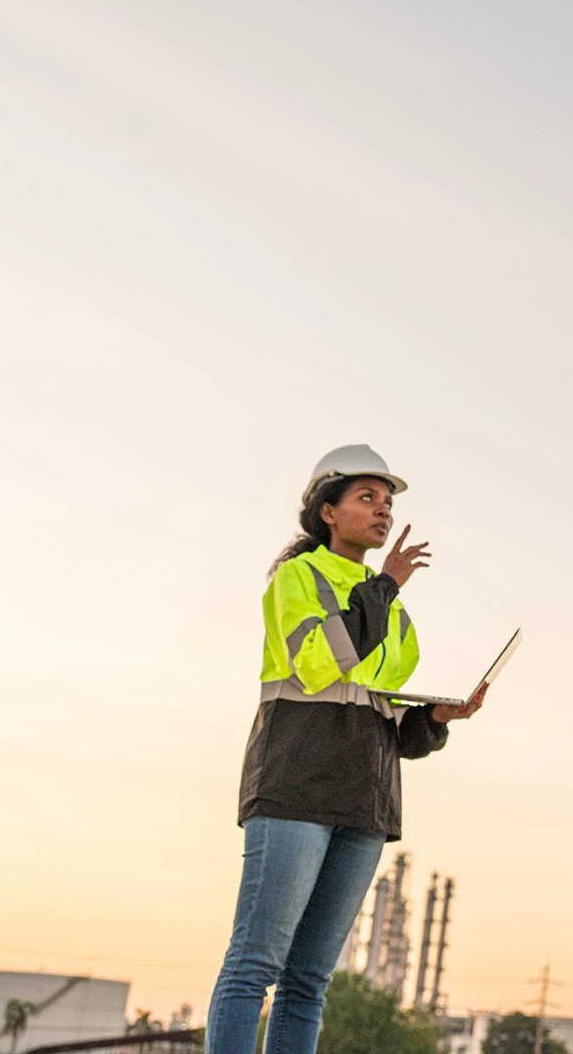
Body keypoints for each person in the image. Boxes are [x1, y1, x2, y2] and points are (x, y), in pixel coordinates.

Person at [205, 444, 486, 1054]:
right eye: (368, 498)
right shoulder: (298, 580)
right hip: (295, 792)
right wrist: (385, 583)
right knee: (256, 966)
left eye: (388, 502)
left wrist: (435, 718)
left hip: (366, 805)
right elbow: (320, 664)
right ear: (326, 511)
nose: (383, 511)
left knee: (309, 982)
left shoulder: (394, 608)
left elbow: (382, 717)